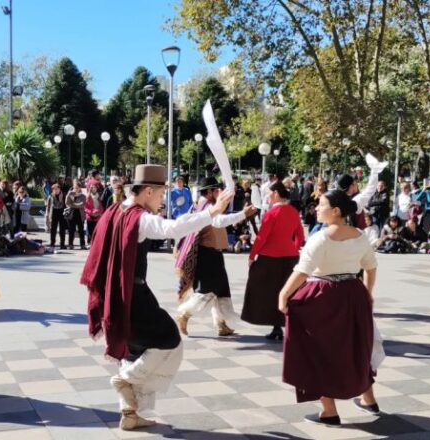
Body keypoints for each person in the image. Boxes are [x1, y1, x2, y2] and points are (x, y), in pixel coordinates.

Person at [81, 164, 233, 431]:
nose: (163, 199)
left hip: (117, 294)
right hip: (133, 296)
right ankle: (125, 379)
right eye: (161, 194)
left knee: (135, 350)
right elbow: (172, 228)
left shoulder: (115, 211)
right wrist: (212, 212)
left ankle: (129, 412)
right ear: (148, 191)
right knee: (169, 341)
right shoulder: (138, 217)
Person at [278, 189, 379, 426]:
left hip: (323, 295)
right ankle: (369, 399)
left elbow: (302, 271)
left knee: (317, 349)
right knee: (356, 347)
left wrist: (283, 294)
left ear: (335, 211)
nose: (316, 208)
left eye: (321, 205)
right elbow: (371, 267)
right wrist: (367, 293)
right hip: (353, 293)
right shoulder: (360, 235)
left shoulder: (321, 238)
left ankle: (329, 410)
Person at [175, 177, 256, 337]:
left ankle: (222, 323)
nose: (219, 192)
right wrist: (243, 214)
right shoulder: (208, 206)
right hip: (208, 255)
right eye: (216, 189)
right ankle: (184, 313)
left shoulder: (206, 204)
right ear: (210, 191)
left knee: (221, 290)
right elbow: (219, 222)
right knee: (206, 291)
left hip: (213, 254)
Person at [242, 181, 305, 341]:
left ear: (276, 193)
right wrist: (293, 249)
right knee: (287, 291)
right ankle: (284, 324)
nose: (267, 196)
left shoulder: (272, 213)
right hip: (290, 258)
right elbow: (300, 236)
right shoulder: (293, 211)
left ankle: (274, 325)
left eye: (269, 193)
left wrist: (252, 255)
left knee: (263, 291)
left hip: (269, 259)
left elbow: (262, 237)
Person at [45, 183, 68, 250]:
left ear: (59, 189)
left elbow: (66, 204)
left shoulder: (63, 195)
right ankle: (52, 243)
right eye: (54, 189)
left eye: (56, 189)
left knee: (62, 229)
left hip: (61, 212)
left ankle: (62, 244)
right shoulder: (50, 196)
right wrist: (47, 215)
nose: (55, 191)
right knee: (53, 229)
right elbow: (48, 207)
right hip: (53, 212)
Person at [65, 180, 87, 250]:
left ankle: (82, 244)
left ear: (80, 188)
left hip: (80, 214)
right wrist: (69, 195)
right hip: (72, 214)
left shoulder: (83, 196)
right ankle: (70, 244)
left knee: (81, 230)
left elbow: (82, 205)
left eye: (77, 187)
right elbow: (67, 203)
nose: (76, 189)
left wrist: (73, 204)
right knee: (71, 230)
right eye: (75, 187)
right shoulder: (70, 194)